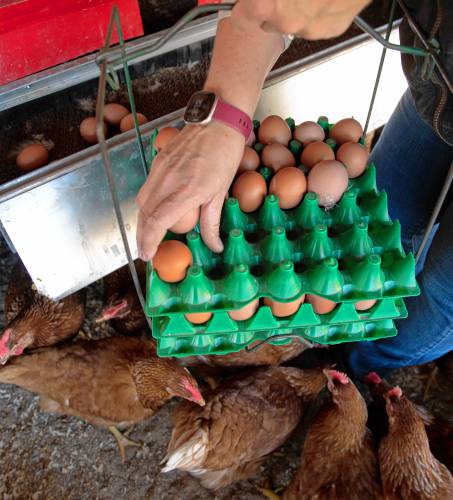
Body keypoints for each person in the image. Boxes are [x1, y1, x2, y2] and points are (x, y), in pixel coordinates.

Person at [136, 0, 453, 377]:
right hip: (441, 79)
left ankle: (361, 365)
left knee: (437, 298)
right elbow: (264, 11)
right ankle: (344, 317)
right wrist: (221, 118)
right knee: (387, 214)